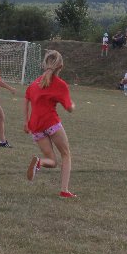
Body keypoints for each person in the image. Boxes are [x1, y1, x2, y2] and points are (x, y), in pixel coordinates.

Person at [25, 50, 77, 198]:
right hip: (51, 123)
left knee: (52, 161)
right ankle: (64, 190)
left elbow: (26, 98)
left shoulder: (35, 83)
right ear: (60, 66)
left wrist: (25, 121)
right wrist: (73, 105)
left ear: (45, 64)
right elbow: (69, 108)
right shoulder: (60, 85)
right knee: (66, 154)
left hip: (35, 126)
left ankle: (39, 162)